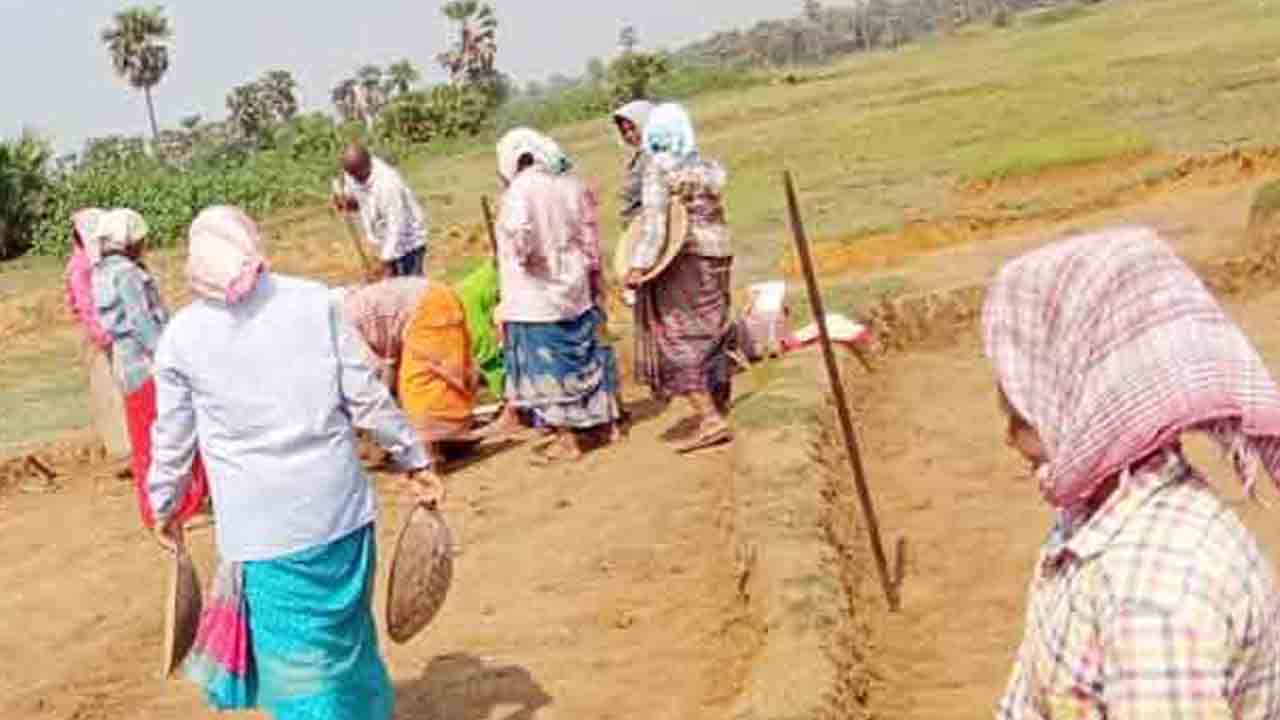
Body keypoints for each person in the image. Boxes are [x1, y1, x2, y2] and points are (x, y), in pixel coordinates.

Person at [147, 206, 444, 720]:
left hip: (263, 536)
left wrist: (164, 503)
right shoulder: (314, 302)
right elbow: (366, 396)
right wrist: (413, 459)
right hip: (342, 517)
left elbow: (172, 440)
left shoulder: (182, 338)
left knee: (300, 668)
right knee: (347, 644)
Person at [984, 227, 1280, 719]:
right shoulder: (1099, 519)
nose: (1010, 437)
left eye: (1023, 408)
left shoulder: (1154, 601)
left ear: (1083, 394)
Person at [494, 128, 622, 464]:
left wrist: (528, 259)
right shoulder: (566, 183)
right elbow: (587, 233)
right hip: (573, 284)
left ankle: (567, 440)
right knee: (581, 356)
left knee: (547, 367)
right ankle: (597, 427)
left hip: (534, 293)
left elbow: (520, 235)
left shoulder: (519, 191)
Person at [624, 103, 734, 454]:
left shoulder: (659, 170)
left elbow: (656, 226)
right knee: (711, 330)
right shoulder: (707, 167)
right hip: (718, 254)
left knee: (677, 335)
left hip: (685, 259)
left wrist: (638, 266)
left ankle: (709, 418)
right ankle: (718, 404)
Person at [90, 208, 208, 528]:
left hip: (128, 367)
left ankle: (159, 507)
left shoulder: (102, 271)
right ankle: (180, 508)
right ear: (127, 241)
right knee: (168, 433)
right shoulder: (127, 274)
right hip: (147, 367)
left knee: (144, 438)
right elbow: (143, 323)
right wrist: (170, 355)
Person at [341, 278, 477, 464]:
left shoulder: (339, 331)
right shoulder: (335, 317)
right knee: (430, 383)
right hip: (428, 302)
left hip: (427, 306)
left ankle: (430, 452)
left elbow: (373, 382)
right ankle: (446, 439)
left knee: (423, 386)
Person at [64, 207, 131, 460]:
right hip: (97, 335)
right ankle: (123, 449)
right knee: (108, 390)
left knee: (119, 387)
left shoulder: (94, 261)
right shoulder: (80, 267)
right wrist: (104, 337)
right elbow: (85, 305)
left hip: (107, 330)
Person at [333, 144, 429, 278]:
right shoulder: (354, 174)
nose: (354, 179)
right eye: (351, 175)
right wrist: (344, 202)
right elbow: (358, 202)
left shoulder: (388, 183)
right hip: (383, 241)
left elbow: (396, 226)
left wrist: (385, 261)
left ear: (368, 164)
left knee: (411, 291)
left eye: (357, 175)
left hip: (408, 244)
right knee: (390, 290)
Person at [613, 99, 655, 229]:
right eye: (624, 131)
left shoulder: (653, 157)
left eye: (633, 128)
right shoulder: (639, 157)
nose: (629, 135)